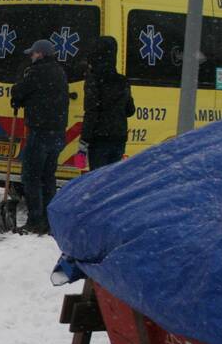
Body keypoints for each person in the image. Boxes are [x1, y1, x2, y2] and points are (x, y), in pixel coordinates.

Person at [10, 39, 70, 235]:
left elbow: (19, 91)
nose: (31, 56)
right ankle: (49, 220)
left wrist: (18, 93)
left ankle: (35, 220)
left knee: (31, 176)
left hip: (40, 131)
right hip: (58, 132)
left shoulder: (36, 72)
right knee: (48, 177)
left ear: (41, 54)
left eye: (33, 53)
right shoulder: (60, 72)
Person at [82, 36, 135, 170]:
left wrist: (84, 139)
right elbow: (130, 110)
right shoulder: (122, 80)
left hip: (99, 138)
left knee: (96, 178)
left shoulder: (93, 80)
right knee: (111, 179)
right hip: (119, 137)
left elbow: (91, 112)